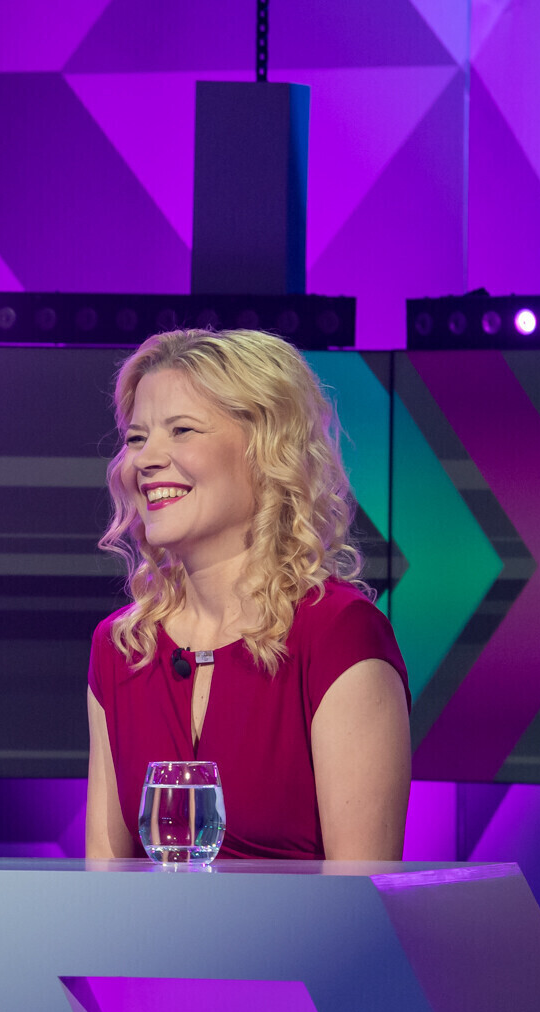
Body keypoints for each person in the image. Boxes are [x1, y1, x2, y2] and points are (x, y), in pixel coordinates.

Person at [86, 329, 410, 861]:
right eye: (138, 438)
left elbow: (358, 898)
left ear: (266, 450)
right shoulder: (122, 646)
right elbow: (103, 881)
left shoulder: (340, 633)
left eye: (181, 430)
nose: (145, 460)